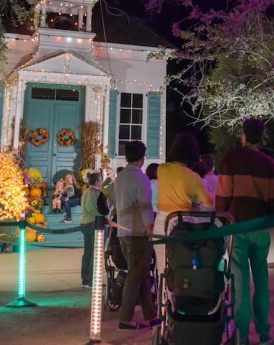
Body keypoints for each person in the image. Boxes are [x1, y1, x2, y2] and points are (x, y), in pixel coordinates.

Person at [216, 118, 274, 345]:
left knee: (240, 281)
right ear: (261, 137)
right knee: (262, 278)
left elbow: (223, 195)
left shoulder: (231, 159)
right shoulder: (269, 163)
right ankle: (264, 330)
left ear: (243, 134)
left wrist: (220, 219)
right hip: (260, 226)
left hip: (237, 226)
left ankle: (242, 334)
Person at [114, 140, 159, 331]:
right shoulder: (141, 179)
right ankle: (126, 318)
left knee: (142, 275)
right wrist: (151, 233)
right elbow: (145, 208)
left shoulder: (120, 177)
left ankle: (151, 316)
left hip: (123, 231)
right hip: (138, 232)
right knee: (135, 275)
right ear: (142, 157)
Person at [156, 133, 214, 271]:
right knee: (181, 267)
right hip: (183, 222)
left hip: (161, 221)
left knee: (162, 268)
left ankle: (163, 291)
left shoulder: (162, 169)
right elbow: (209, 202)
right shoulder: (193, 177)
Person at [80, 171, 110, 289]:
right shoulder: (99, 193)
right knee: (96, 253)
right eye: (100, 180)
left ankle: (85, 280)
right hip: (96, 224)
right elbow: (104, 210)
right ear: (97, 181)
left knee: (87, 253)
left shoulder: (85, 192)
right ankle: (93, 281)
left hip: (85, 223)